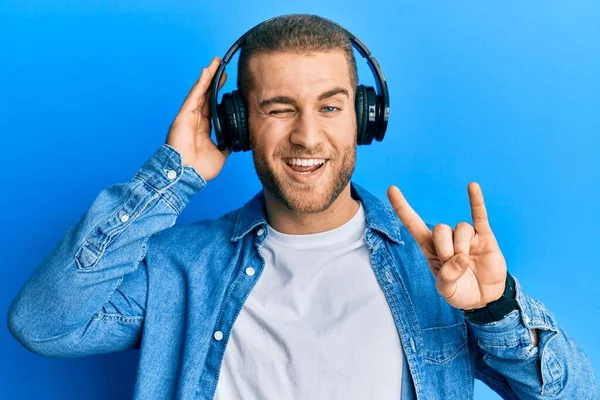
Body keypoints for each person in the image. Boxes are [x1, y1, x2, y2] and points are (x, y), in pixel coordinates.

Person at [6, 13, 598, 400]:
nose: (308, 137)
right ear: (237, 125)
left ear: (367, 118)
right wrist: (172, 175)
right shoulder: (180, 268)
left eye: (332, 107)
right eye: (278, 108)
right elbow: (43, 324)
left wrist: (495, 310)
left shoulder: (437, 274)